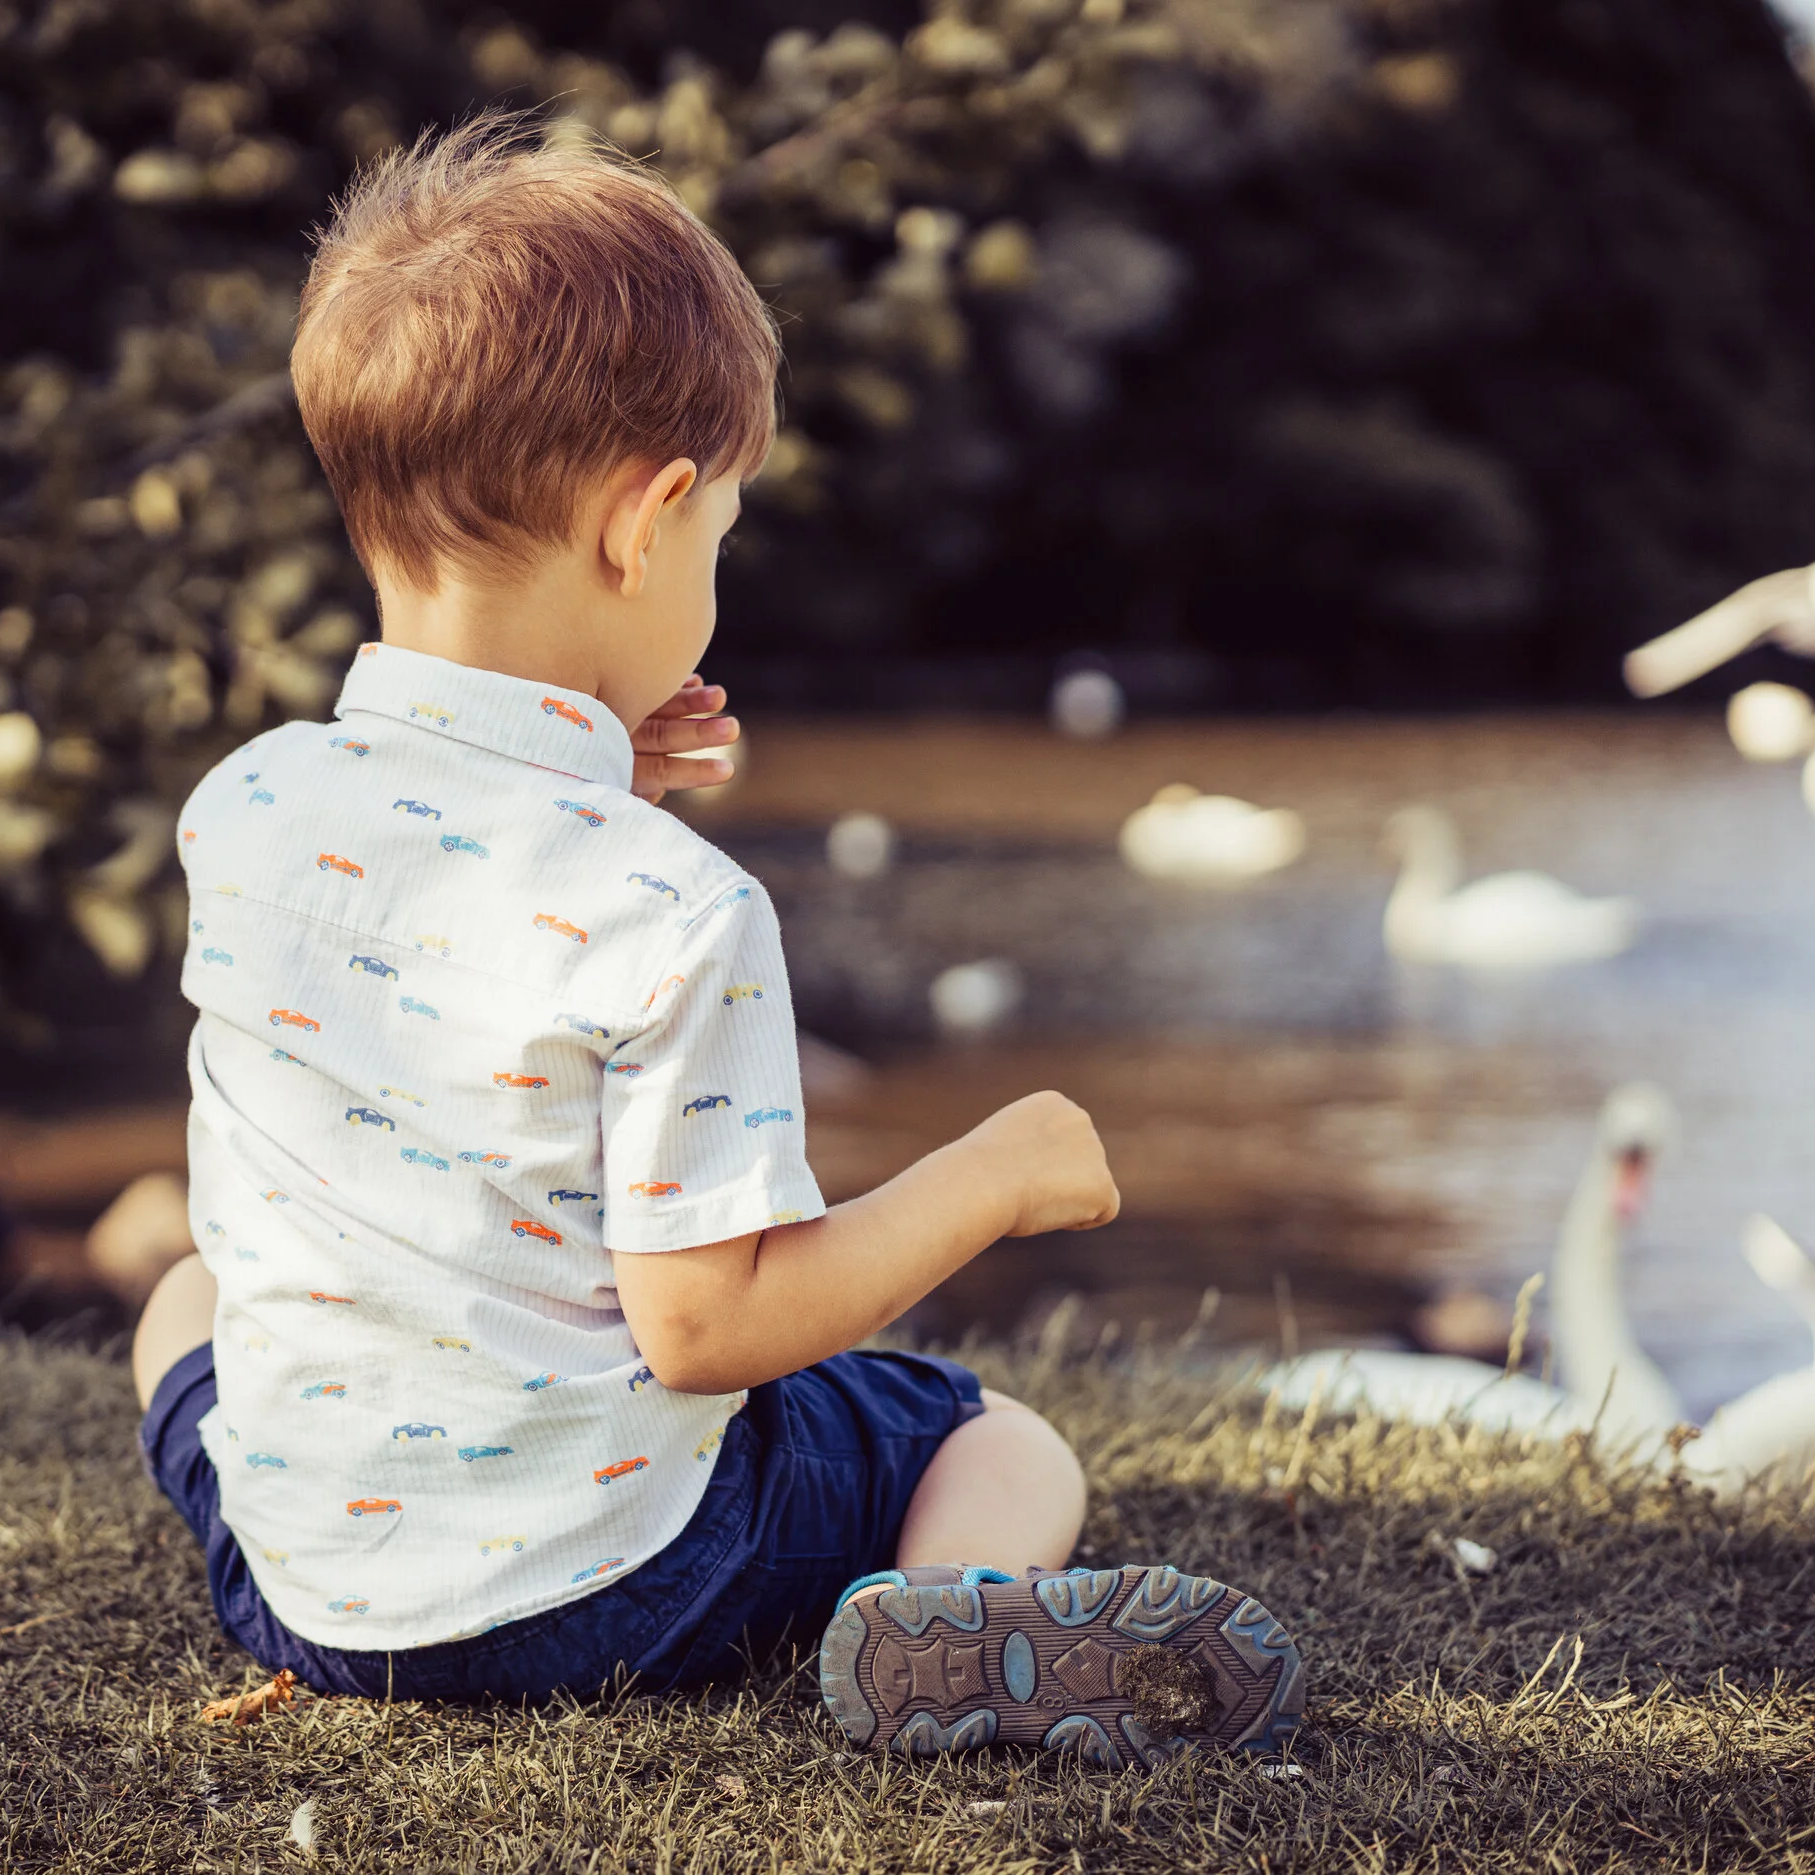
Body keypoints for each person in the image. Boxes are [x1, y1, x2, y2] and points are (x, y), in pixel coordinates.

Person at [128, 114, 1305, 1768]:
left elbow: (447, 931)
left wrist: (604, 767)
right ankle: (948, 1605)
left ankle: (357, 1541)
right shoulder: (677, 911)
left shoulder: (239, 807)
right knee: (981, 1428)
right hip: (605, 1587)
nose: (714, 575)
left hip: (308, 1595)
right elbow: (709, 1329)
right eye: (721, 539)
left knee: (185, 1289)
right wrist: (997, 1173)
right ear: (645, 521)